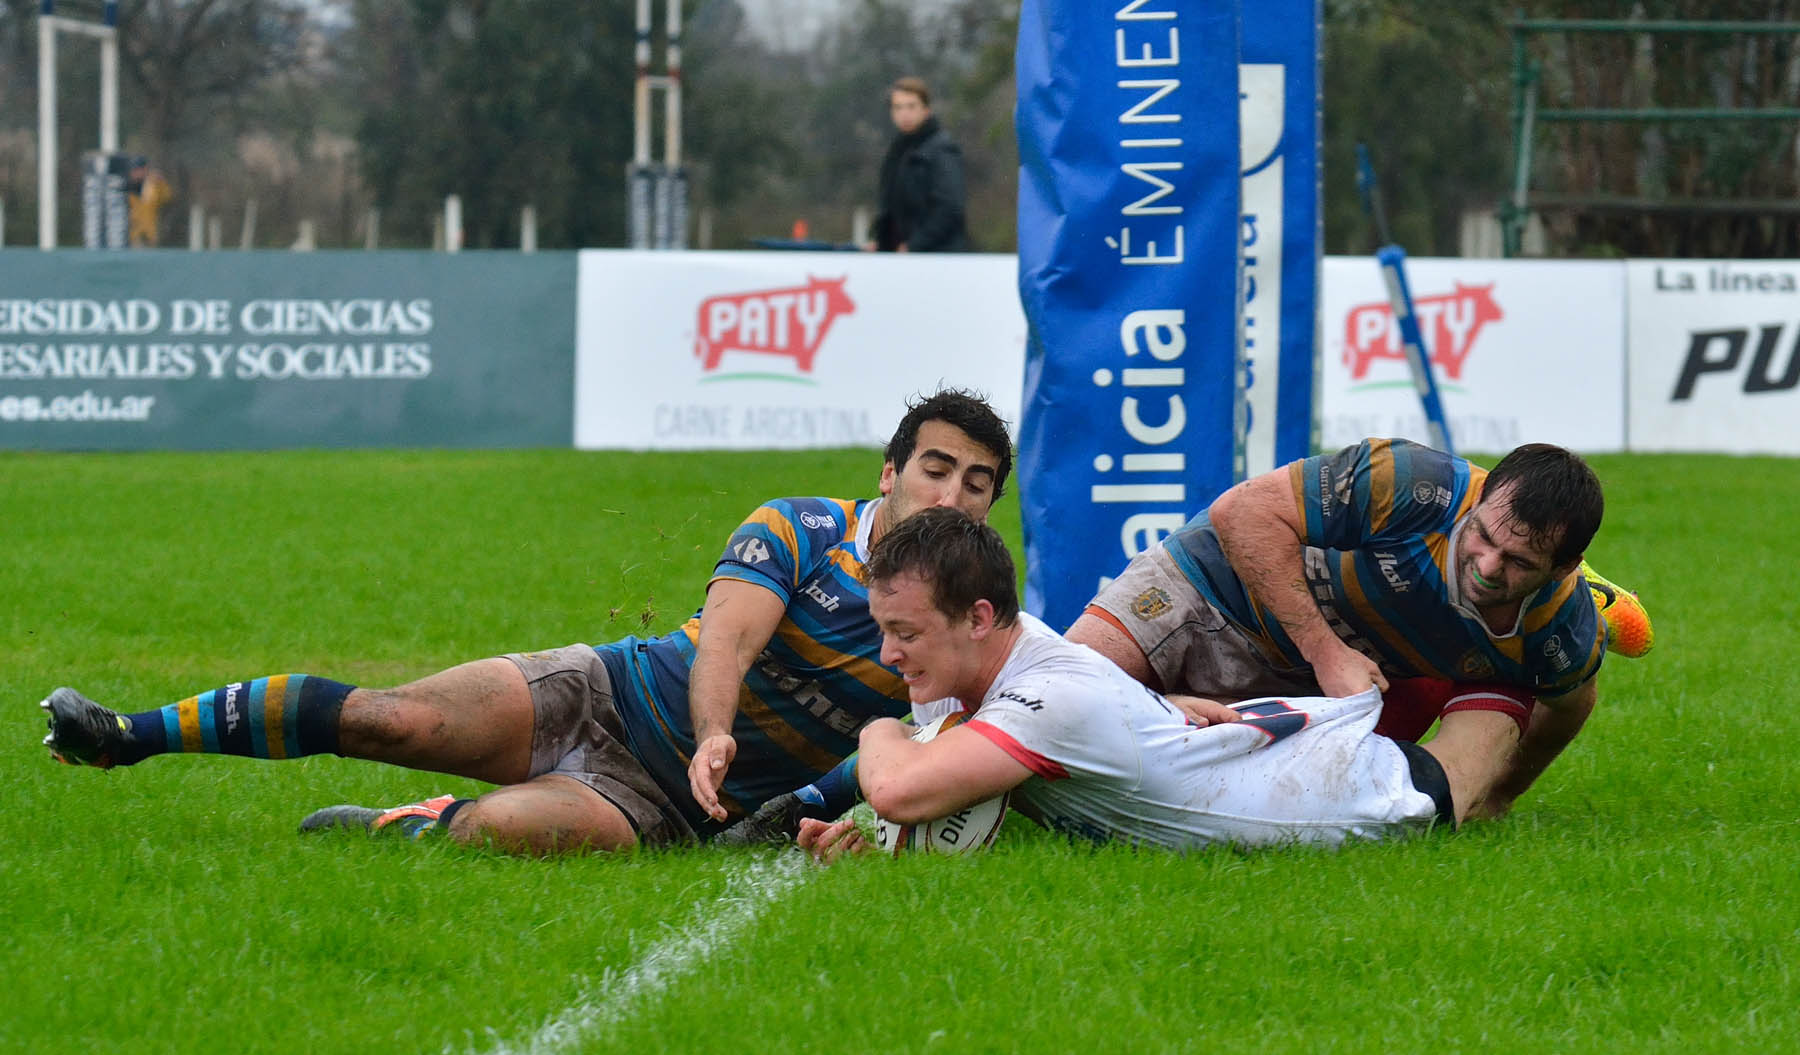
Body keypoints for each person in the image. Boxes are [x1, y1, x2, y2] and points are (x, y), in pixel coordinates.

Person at [40, 390, 1014, 854]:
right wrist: (715, 729)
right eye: (936, 466)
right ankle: (128, 736)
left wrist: (824, 809)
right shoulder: (800, 527)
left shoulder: (964, 633)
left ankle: (402, 824)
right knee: (392, 720)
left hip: (667, 807)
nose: (953, 492)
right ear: (890, 472)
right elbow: (730, 637)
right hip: (601, 692)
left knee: (497, 835)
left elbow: (926, 746)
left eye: (978, 483)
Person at [796, 507, 1531, 862]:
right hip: (1280, 748)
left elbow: (898, 785)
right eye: (884, 629)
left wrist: (879, 736)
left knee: (1496, 698)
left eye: (907, 633)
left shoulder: (1046, 700)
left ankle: (1558, 595)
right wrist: (870, 839)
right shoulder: (1005, 663)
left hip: (1368, 796)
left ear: (980, 617)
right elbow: (933, 792)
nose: (888, 655)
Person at [1064, 437, 1642, 819]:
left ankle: (1163, 714)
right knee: (1057, 702)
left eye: (1518, 563)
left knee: (1408, 810)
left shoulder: (1560, 628)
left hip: (1318, 693)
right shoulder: (1412, 482)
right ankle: (1164, 708)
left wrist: (1503, 795)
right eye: (1484, 538)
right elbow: (1240, 512)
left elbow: (1570, 704)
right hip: (1206, 592)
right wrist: (1325, 651)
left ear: (1564, 569)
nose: (1488, 568)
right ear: (1480, 500)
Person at [866, 77, 968, 254]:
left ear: (926, 110)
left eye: (911, 106)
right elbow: (890, 207)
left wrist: (915, 245)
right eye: (898, 107)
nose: (904, 113)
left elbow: (950, 208)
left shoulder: (942, 149)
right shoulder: (896, 152)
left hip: (936, 257)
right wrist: (881, 242)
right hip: (902, 256)